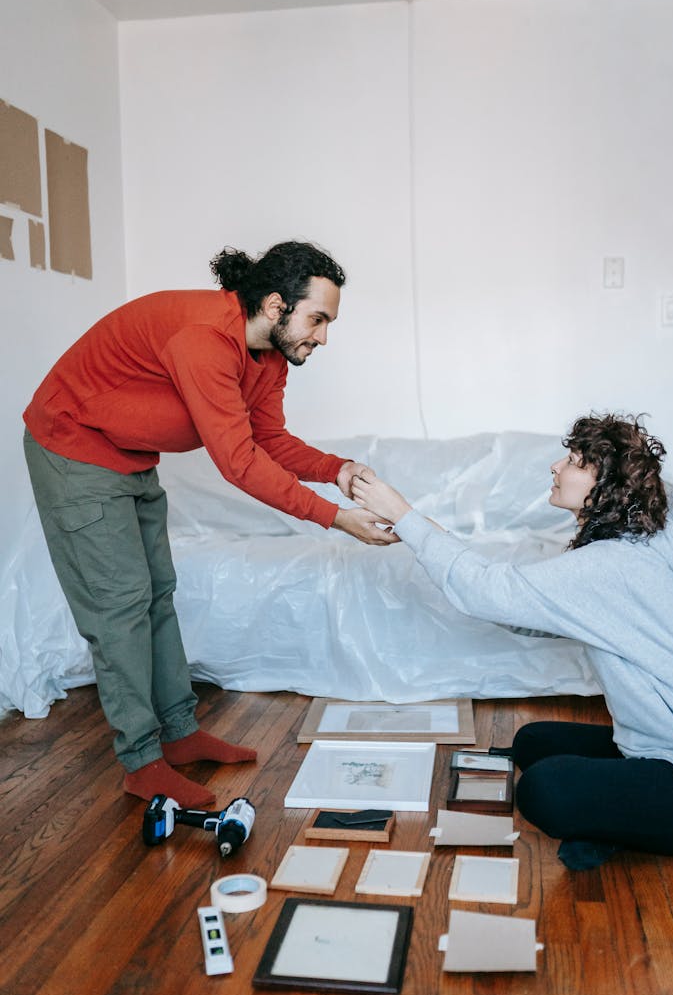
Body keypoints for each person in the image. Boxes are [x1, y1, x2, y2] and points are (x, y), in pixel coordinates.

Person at [23, 241, 397, 807]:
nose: (323, 337)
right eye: (317, 319)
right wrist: (336, 518)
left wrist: (336, 469)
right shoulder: (203, 340)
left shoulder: (269, 356)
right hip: (75, 449)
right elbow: (239, 462)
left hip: (131, 455)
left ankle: (179, 733)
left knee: (158, 594)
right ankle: (141, 762)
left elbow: (268, 439)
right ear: (275, 306)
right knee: (119, 607)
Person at [351, 413, 673, 870]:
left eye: (576, 461)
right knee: (532, 742)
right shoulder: (639, 544)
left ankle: (612, 823)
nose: (557, 467)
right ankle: (613, 819)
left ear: (605, 485)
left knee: (543, 789)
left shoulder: (607, 565)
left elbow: (488, 591)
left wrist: (402, 514)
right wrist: (430, 540)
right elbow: (520, 607)